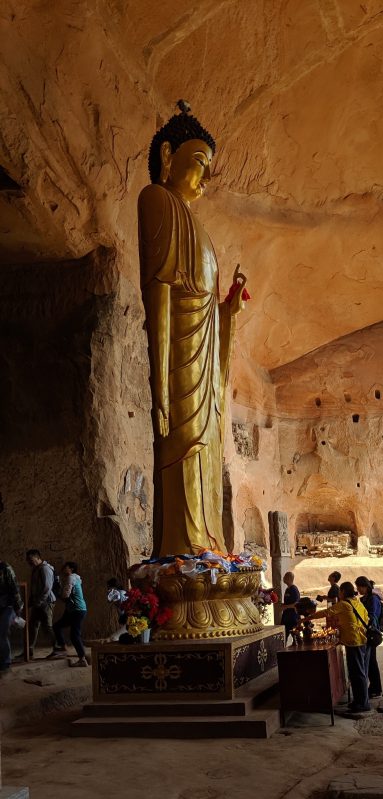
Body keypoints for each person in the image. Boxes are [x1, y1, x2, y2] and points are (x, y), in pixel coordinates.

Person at [138, 100, 248, 556]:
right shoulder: (157, 200)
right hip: (179, 361)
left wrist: (227, 314)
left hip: (203, 353)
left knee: (208, 449)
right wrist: (160, 387)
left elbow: (202, 303)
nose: (204, 178)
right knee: (183, 447)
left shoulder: (199, 226)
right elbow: (159, 294)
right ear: (168, 156)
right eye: (198, 163)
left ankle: (208, 545)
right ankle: (181, 551)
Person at [308, 581, 370, 713]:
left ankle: (363, 703)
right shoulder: (357, 602)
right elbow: (366, 617)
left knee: (357, 673)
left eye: (340, 592)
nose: (339, 594)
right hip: (361, 640)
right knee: (357, 672)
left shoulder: (344, 604)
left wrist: (308, 618)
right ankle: (359, 700)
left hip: (354, 642)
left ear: (342, 592)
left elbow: (327, 612)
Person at [48, 562, 88, 667]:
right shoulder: (75, 578)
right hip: (73, 609)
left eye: (65, 567)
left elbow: (65, 595)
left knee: (74, 635)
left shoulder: (71, 578)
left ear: (71, 569)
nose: (63, 569)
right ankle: (63, 648)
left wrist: (56, 591)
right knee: (57, 626)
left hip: (77, 610)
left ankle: (82, 659)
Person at [20, 549, 56, 657]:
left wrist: (38, 602)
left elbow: (47, 588)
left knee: (47, 627)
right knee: (33, 626)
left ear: (37, 557)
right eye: (27, 560)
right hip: (38, 603)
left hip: (46, 602)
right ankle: (29, 650)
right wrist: (31, 602)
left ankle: (58, 648)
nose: (29, 562)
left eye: (30, 559)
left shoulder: (45, 569)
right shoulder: (36, 569)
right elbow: (34, 588)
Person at [355, 576, 383, 699]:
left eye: (359, 587)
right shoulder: (365, 598)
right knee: (370, 661)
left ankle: (376, 689)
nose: (358, 590)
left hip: (372, 633)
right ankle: (373, 688)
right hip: (367, 633)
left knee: (371, 661)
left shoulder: (373, 599)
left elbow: (372, 616)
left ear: (365, 586)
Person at [0, 560, 23, 674]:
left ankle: (6, 663)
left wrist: (18, 607)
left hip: (8, 605)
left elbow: (14, 587)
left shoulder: (5, 568)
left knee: (2, 632)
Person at [280, 571, 300, 640]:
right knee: (284, 636)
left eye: (285, 576)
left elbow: (296, 604)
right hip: (286, 617)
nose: (283, 578)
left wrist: (286, 606)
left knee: (296, 637)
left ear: (289, 578)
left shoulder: (294, 589)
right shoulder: (287, 589)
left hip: (293, 617)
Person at [106, 577, 128, 641]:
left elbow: (110, 599)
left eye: (109, 586)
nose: (108, 589)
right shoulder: (123, 592)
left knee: (114, 638)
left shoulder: (117, 593)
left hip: (130, 621)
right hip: (129, 620)